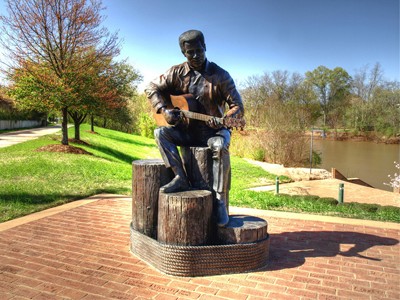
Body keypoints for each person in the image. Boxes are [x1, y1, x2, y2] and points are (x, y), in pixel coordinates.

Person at [145, 29, 244, 227]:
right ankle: (180, 177)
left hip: (213, 131)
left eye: (199, 50)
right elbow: (151, 88)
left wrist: (225, 119)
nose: (196, 56)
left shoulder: (220, 75)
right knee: (161, 133)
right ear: (184, 53)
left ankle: (219, 200)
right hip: (187, 131)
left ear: (205, 47)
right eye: (191, 52)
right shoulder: (176, 72)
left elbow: (238, 107)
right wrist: (164, 110)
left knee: (219, 146)